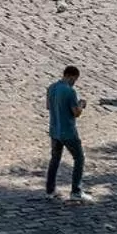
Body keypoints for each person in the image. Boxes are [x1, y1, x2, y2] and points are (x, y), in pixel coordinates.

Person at [45, 65, 90, 202]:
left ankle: (50, 190)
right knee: (79, 159)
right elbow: (76, 113)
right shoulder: (70, 92)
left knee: (55, 159)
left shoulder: (51, 87)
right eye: (75, 79)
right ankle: (76, 191)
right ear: (71, 76)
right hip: (68, 132)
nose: (74, 82)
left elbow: (48, 106)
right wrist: (81, 104)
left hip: (54, 130)